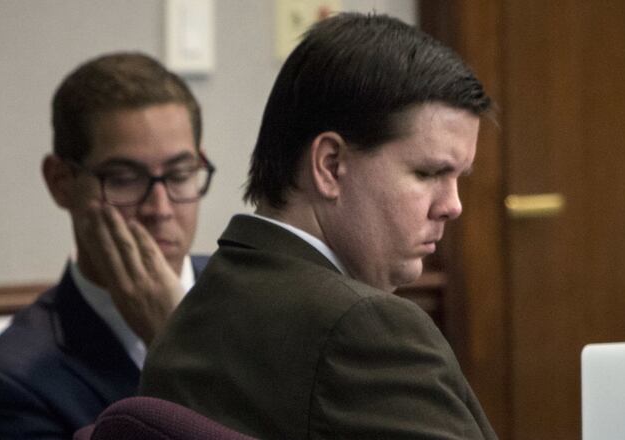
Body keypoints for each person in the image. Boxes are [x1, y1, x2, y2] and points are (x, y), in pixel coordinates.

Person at [140, 12, 497, 439]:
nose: (452, 205)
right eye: (427, 173)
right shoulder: (365, 329)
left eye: (459, 177)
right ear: (330, 165)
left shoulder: (198, 309)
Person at [0, 52, 215, 439]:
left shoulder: (261, 302)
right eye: (124, 179)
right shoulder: (2, 385)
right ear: (61, 181)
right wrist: (173, 346)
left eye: (179, 175)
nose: (160, 209)